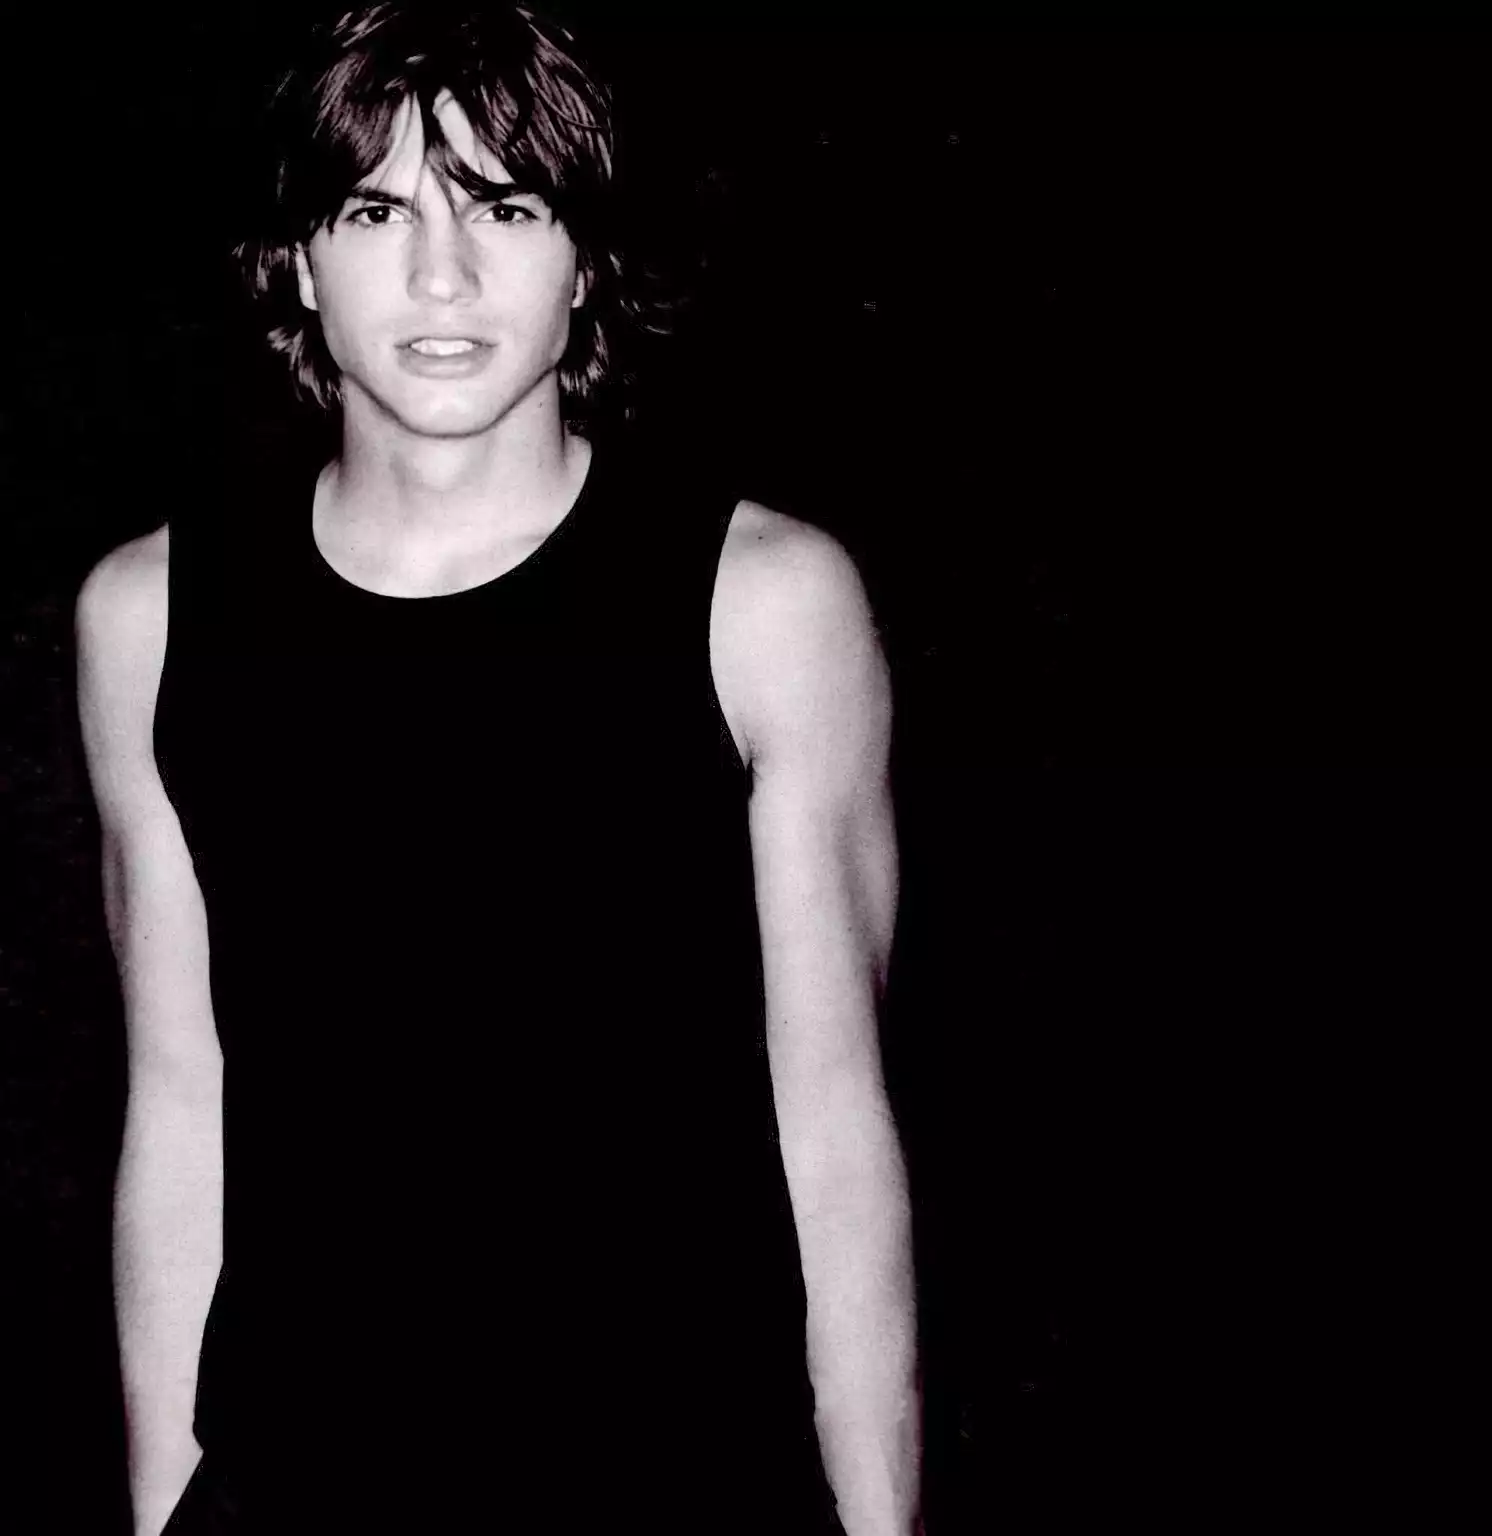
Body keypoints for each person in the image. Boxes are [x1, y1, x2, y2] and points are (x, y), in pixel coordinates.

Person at [75, 5, 920, 1531]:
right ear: (298, 261)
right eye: (376, 211)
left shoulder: (762, 600)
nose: (442, 276)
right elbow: (182, 1106)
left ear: (584, 258)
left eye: (507, 207)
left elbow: (835, 1130)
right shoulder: (151, 614)